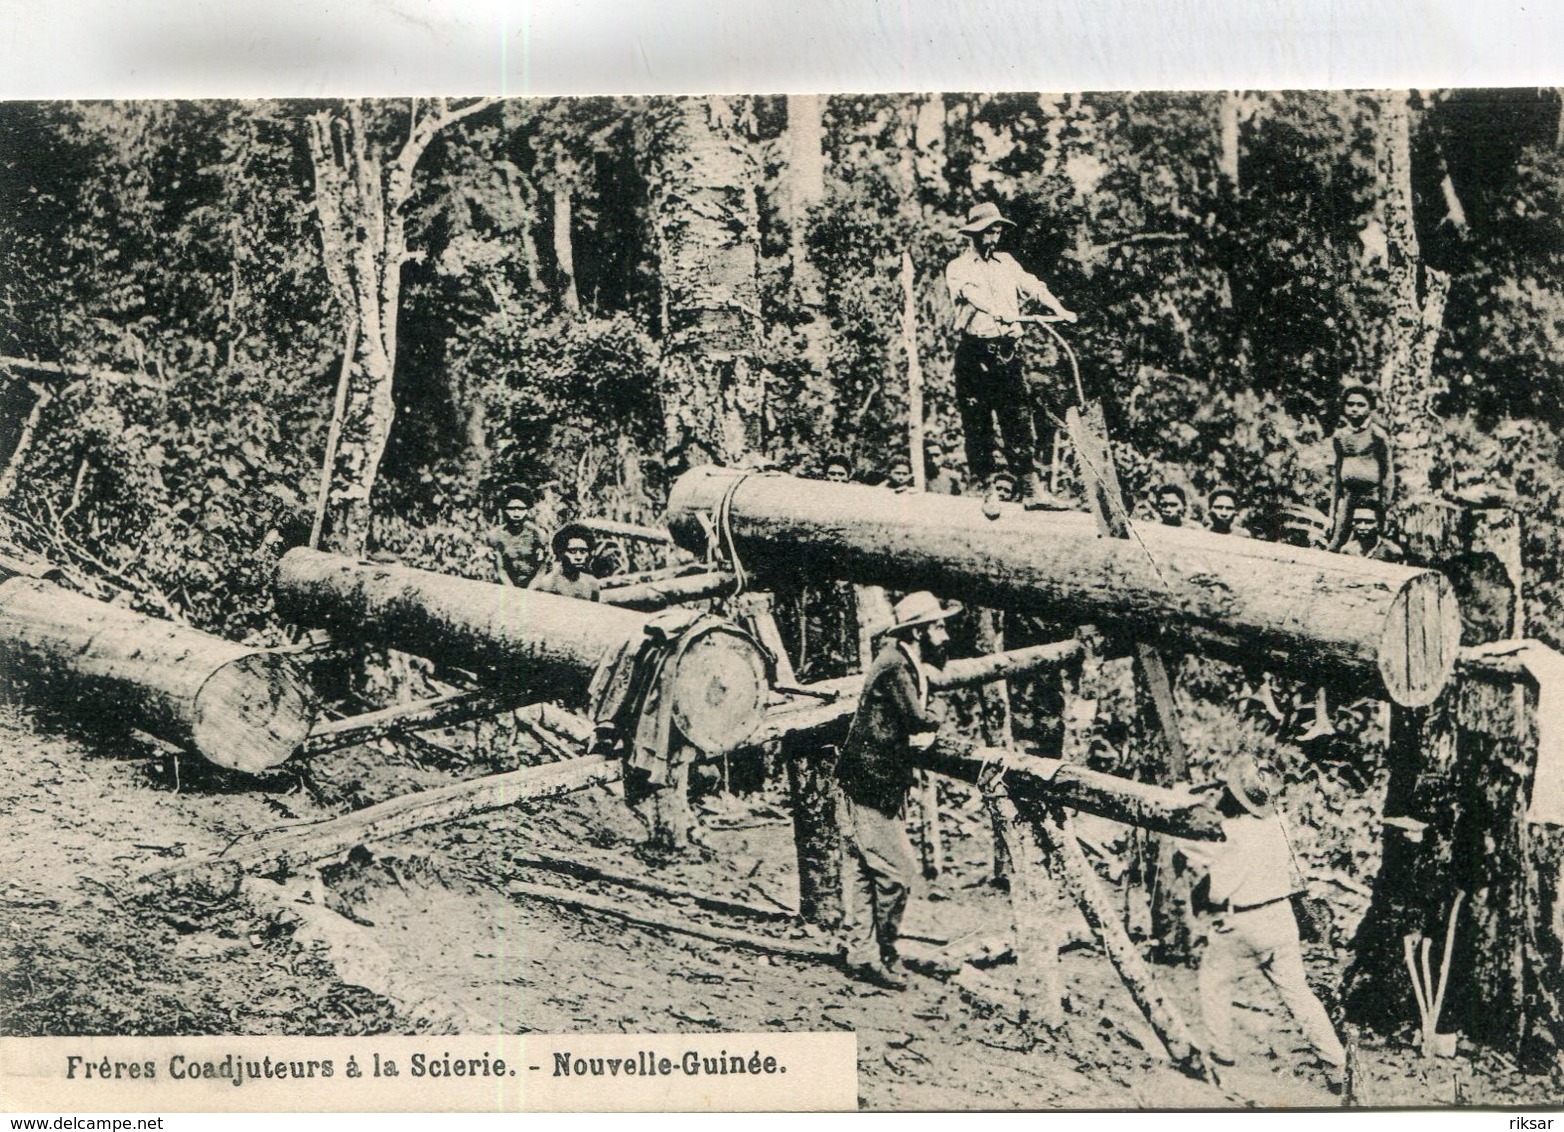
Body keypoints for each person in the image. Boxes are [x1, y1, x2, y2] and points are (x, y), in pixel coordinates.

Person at [1181, 756, 1346, 1088]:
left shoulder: (1226, 833)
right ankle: (1337, 1065)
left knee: (1214, 982)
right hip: (1281, 917)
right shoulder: (1279, 823)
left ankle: (1222, 1055)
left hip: (1242, 921)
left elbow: (1186, 845)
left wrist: (1189, 798)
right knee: (1299, 994)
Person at [836, 590, 960, 990]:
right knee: (898, 872)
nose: (944, 633)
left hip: (864, 777)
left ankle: (861, 952)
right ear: (920, 631)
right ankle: (885, 953)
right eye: (938, 626)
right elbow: (919, 719)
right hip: (872, 781)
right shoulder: (895, 666)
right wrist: (938, 715)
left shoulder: (902, 658)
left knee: (861, 867)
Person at [944, 202, 1077, 513]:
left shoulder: (1008, 264)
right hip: (975, 353)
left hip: (1008, 352)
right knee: (978, 422)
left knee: (1018, 419)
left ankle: (1032, 491)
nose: (994, 237)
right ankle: (988, 489)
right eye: (989, 231)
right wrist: (995, 309)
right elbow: (969, 294)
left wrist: (1059, 310)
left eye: (998, 230)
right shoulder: (959, 267)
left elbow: (1034, 287)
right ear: (974, 234)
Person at [1327, 386, 1394, 552]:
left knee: (1372, 543)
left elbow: (1388, 473)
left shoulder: (1377, 435)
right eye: (1350, 404)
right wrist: (1332, 511)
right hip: (1350, 496)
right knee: (1336, 543)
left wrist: (1384, 507)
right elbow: (1337, 474)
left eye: (1360, 404)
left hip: (1372, 497)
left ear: (1370, 407)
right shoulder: (1340, 436)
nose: (1355, 409)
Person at [484, 485, 542, 587]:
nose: (516, 514)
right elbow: (500, 568)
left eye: (521, 509)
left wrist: (530, 591)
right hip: (505, 586)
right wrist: (512, 592)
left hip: (534, 586)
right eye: (511, 509)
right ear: (503, 510)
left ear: (527, 510)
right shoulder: (495, 536)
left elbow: (542, 569)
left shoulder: (538, 535)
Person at [527, 523, 602, 602]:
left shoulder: (592, 584)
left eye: (583, 551)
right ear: (561, 553)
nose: (578, 557)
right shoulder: (548, 584)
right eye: (572, 552)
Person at [1338, 500, 1405, 563]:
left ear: (1379, 524)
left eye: (1369, 522)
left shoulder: (1392, 552)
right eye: (1357, 521)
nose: (1362, 527)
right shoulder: (1347, 550)